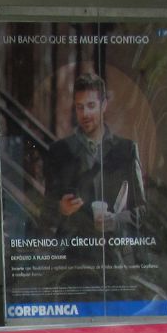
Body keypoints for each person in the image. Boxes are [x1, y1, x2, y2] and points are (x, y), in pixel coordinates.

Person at [41, 72, 147, 240]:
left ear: (103, 105)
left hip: (114, 255)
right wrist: (61, 209)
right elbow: (45, 213)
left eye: (91, 105)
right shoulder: (58, 151)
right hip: (72, 255)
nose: (85, 114)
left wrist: (116, 220)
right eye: (79, 107)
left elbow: (142, 211)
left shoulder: (127, 150)